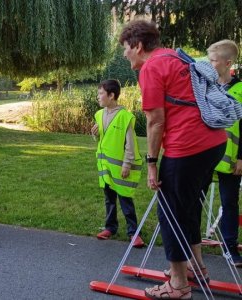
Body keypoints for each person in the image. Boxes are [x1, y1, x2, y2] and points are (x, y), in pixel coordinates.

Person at [119, 20, 227, 299]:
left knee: (169, 213)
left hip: (187, 147)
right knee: (187, 207)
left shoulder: (152, 67)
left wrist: (151, 163)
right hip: (214, 142)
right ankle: (196, 268)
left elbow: (155, 121)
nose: (124, 55)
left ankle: (178, 285)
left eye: (125, 48)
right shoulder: (177, 56)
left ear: (138, 46)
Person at [91, 80, 144, 248]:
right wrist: (95, 134)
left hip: (120, 167)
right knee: (109, 199)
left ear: (111, 95)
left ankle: (133, 232)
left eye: (101, 94)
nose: (98, 97)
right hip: (106, 167)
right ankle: (110, 227)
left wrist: (127, 164)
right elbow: (102, 139)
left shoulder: (125, 117)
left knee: (125, 198)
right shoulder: (99, 115)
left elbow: (130, 144)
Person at [207, 40, 242, 266]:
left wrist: (241, 157)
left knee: (229, 202)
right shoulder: (206, 86)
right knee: (192, 199)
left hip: (230, 160)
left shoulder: (240, 90)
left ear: (227, 63)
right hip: (206, 155)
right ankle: (188, 250)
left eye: (213, 60)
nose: (209, 64)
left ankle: (229, 247)